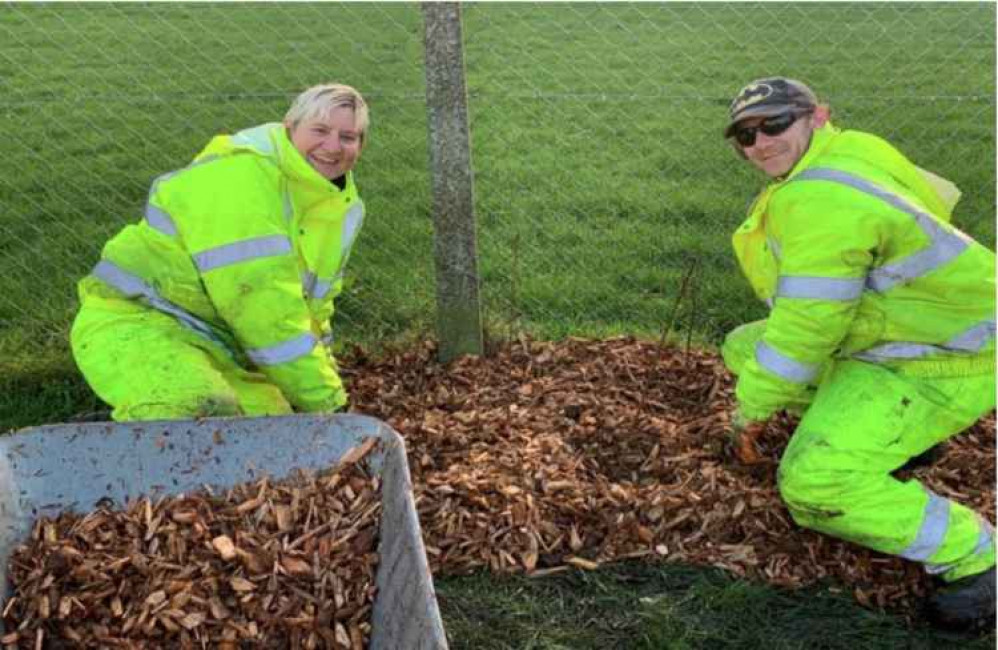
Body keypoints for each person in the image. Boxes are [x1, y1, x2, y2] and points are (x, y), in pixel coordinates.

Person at [719, 77, 996, 632]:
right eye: (745, 135)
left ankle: (977, 558)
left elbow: (807, 328)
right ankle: (898, 440)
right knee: (743, 346)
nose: (760, 144)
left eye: (775, 124)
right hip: (909, 333)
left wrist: (747, 412)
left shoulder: (818, 197)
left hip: (942, 358)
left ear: (817, 117)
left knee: (813, 482)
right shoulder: (849, 150)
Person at [71, 83, 369, 421]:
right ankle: (90, 444)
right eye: (320, 130)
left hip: (217, 346)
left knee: (271, 426)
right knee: (197, 411)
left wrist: (324, 376)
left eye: (348, 137)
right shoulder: (241, 180)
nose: (332, 147)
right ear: (290, 127)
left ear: (361, 145)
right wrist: (329, 404)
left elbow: (313, 306)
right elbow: (264, 308)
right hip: (138, 321)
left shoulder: (338, 206)